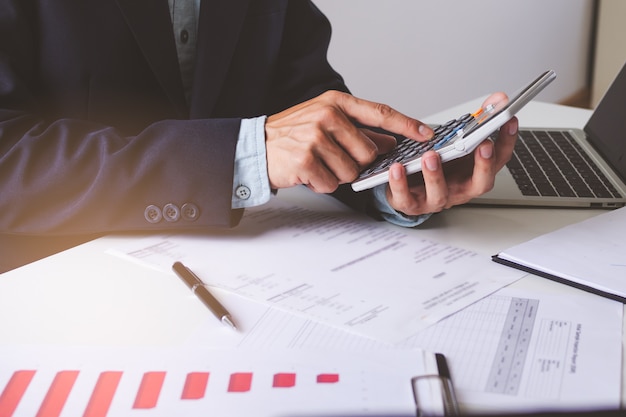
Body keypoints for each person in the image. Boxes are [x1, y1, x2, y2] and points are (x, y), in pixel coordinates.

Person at [0, 0, 518, 271]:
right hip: (56, 285)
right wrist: (241, 155)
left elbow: (301, 96)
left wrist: (391, 178)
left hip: (241, 269)